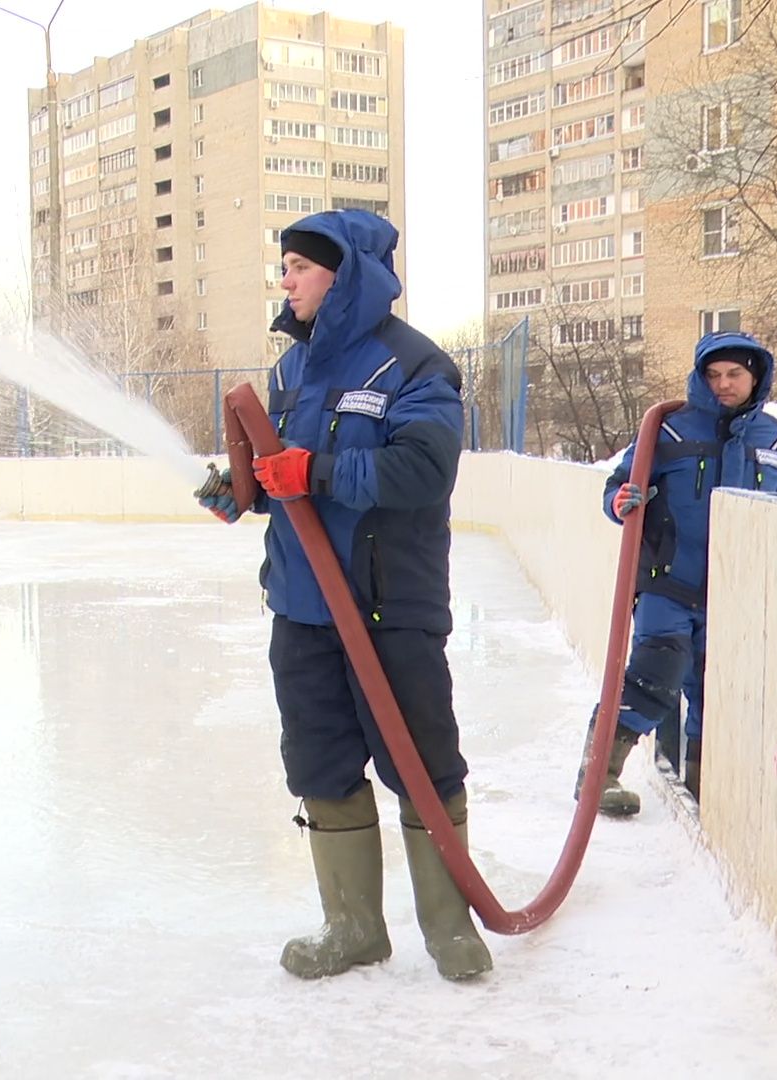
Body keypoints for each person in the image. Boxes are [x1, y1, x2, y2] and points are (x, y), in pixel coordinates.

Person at [196, 209, 490, 982]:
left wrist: (314, 474)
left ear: (344, 275)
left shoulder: (415, 367)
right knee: (320, 765)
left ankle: (449, 929)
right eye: (284, 266)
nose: (285, 280)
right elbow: (279, 470)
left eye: (298, 265)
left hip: (390, 608)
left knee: (421, 761)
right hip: (303, 607)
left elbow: (423, 472)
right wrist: (244, 490)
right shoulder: (291, 371)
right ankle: (354, 926)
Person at [581, 332, 777, 814]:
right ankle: (598, 777)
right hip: (669, 582)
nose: (723, 384)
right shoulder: (668, 430)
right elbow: (617, 487)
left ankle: (703, 792)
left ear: (755, 377)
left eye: (734, 375)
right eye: (713, 375)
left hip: (734, 593)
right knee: (654, 674)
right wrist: (620, 503)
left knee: (713, 691)